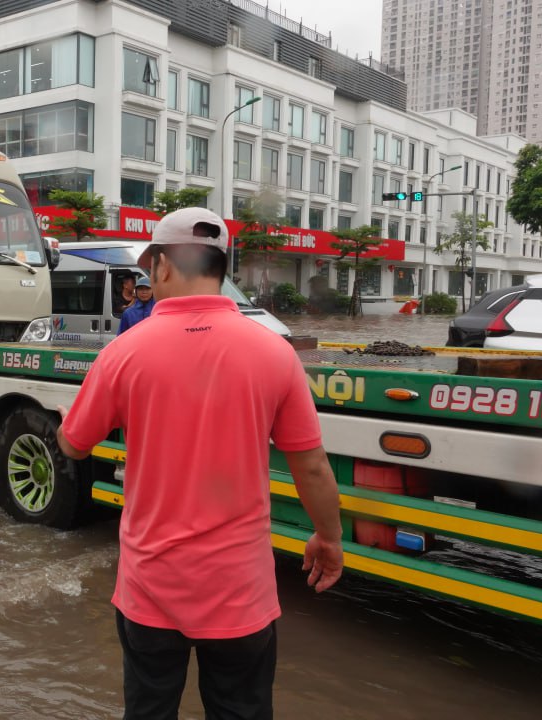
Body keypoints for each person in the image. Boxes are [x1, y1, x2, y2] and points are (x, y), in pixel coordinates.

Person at [55, 207, 344, 720]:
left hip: (150, 589)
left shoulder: (124, 352)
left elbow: (75, 446)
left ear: (163, 266)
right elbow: (313, 467)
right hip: (241, 593)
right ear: (222, 268)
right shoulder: (274, 353)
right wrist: (329, 538)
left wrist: (65, 421)